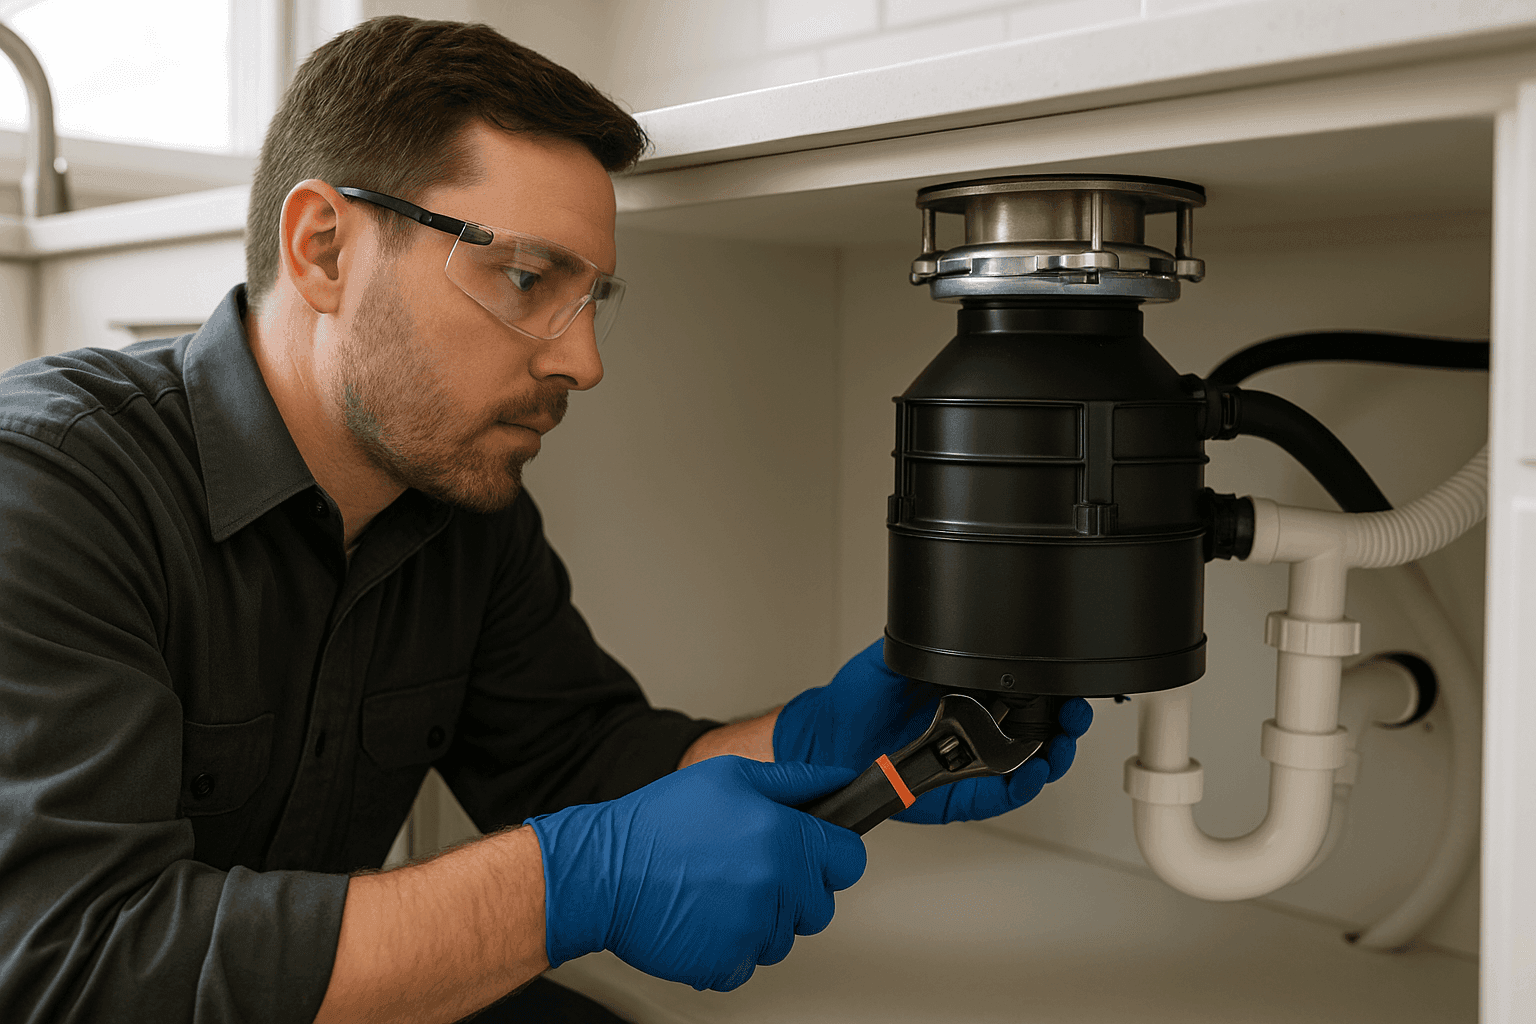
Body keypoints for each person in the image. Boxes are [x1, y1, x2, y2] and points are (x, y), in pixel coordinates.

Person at [0, 16, 1091, 1024]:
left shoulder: (456, 502)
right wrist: (568, 886)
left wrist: (822, 743)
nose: (583, 359)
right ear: (325, 248)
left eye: (590, 300)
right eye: (526, 278)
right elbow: (78, 961)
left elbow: (575, 763)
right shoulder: (50, 487)